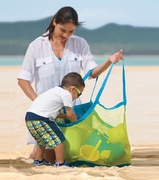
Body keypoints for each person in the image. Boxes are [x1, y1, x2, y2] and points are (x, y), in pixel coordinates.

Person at [17, 6, 124, 163]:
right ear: (54, 22)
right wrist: (40, 103)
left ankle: (37, 153)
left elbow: (92, 73)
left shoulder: (80, 44)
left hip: (70, 113)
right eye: (62, 30)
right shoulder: (36, 46)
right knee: (50, 159)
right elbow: (23, 80)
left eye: (71, 31)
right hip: (47, 115)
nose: (66, 35)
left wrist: (109, 60)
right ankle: (36, 153)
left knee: (73, 157)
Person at [25, 72, 84, 167]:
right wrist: (78, 123)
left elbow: (55, 114)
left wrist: (65, 116)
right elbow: (70, 114)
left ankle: (38, 160)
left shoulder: (55, 91)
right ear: (73, 89)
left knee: (41, 140)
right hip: (41, 119)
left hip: (30, 117)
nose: (77, 97)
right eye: (79, 93)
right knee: (58, 140)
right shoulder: (66, 94)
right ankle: (60, 163)